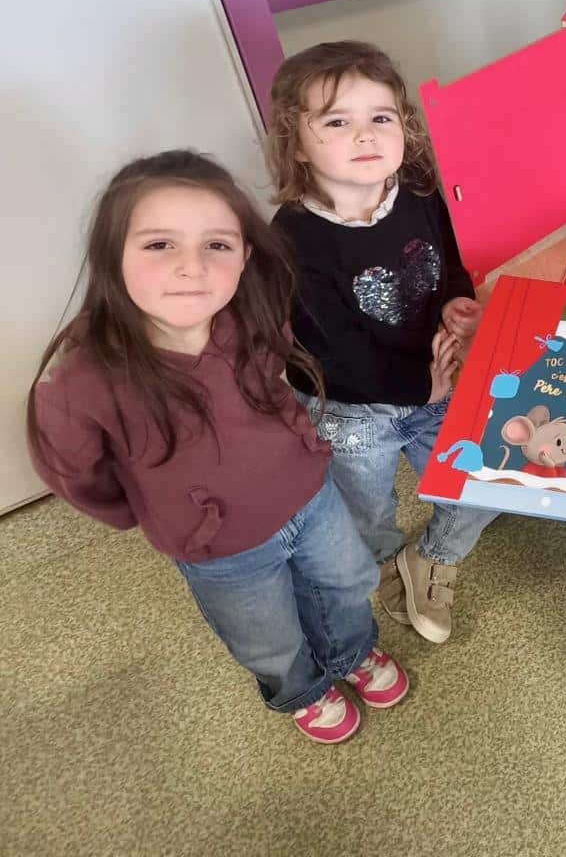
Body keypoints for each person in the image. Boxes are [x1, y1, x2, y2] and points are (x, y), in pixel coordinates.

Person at [28, 151, 407, 744]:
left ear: (244, 255)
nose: (192, 267)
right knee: (266, 634)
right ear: (112, 255)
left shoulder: (252, 313)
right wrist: (157, 510)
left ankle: (351, 652)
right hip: (219, 547)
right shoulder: (81, 381)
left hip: (311, 497)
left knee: (346, 582)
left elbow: (276, 386)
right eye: (160, 245)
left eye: (217, 245)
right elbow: (76, 474)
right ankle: (302, 688)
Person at [268, 41, 494, 645]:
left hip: (435, 379)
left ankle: (433, 557)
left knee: (482, 479)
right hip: (351, 407)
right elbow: (335, 348)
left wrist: (455, 301)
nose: (365, 134)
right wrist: (422, 385)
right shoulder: (292, 238)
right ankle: (389, 560)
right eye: (337, 122)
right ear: (296, 143)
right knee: (365, 509)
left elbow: (449, 265)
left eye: (381, 116)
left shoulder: (418, 192)